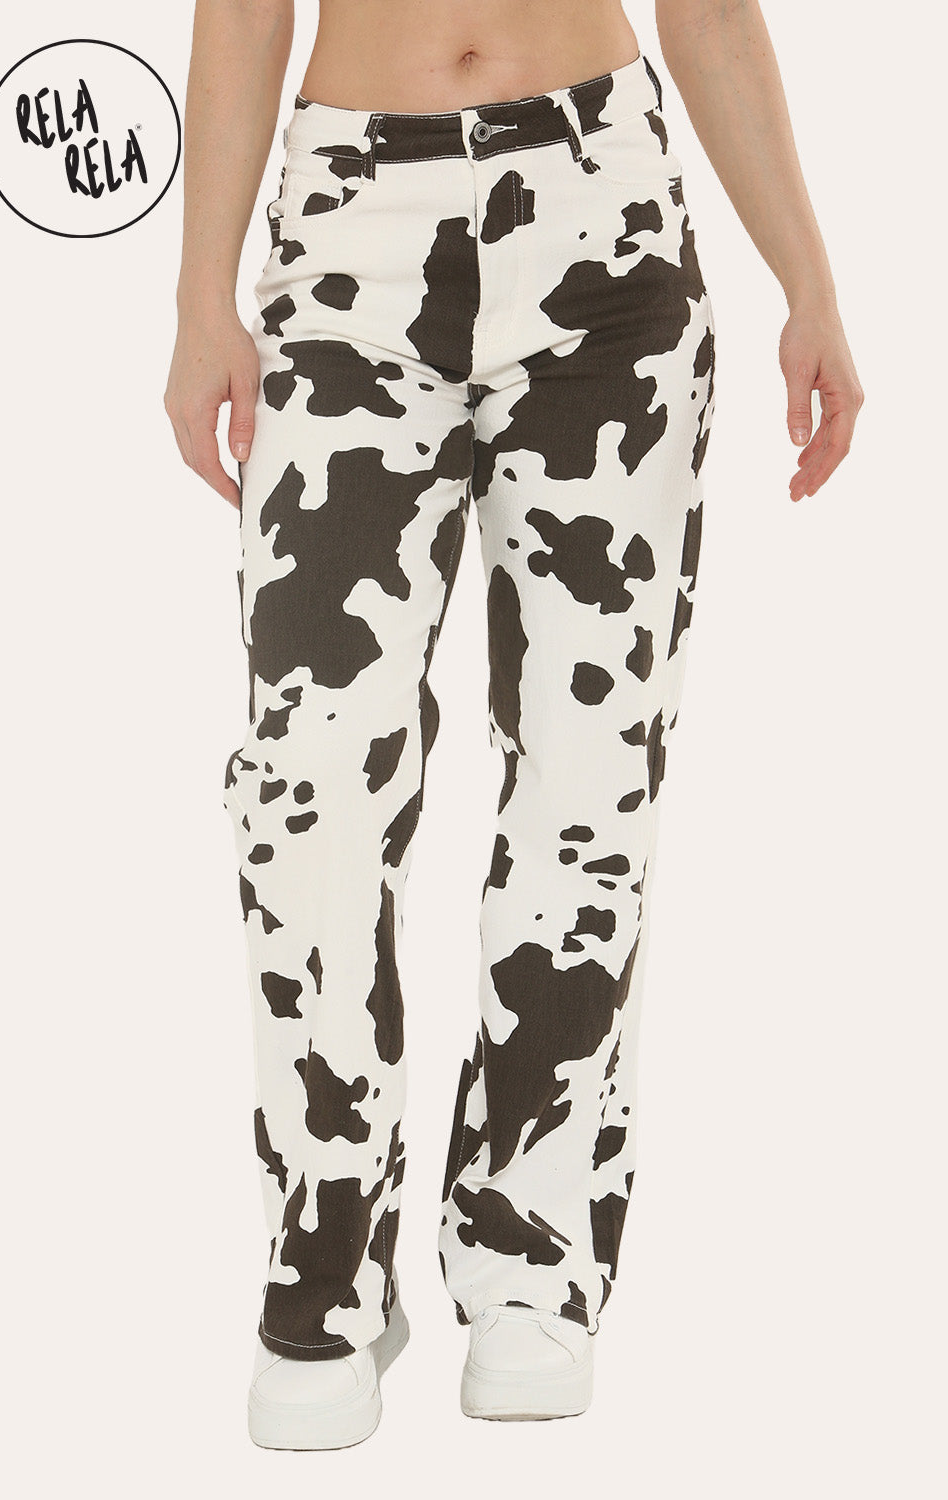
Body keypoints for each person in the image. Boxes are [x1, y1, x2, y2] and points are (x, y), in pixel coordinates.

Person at [164, 0, 863, 1449]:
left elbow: (708, 11)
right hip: (350, 235)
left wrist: (810, 284)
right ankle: (327, 1259)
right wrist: (200, 300)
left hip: (606, 231)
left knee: (591, 779)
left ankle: (529, 1258)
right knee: (310, 781)